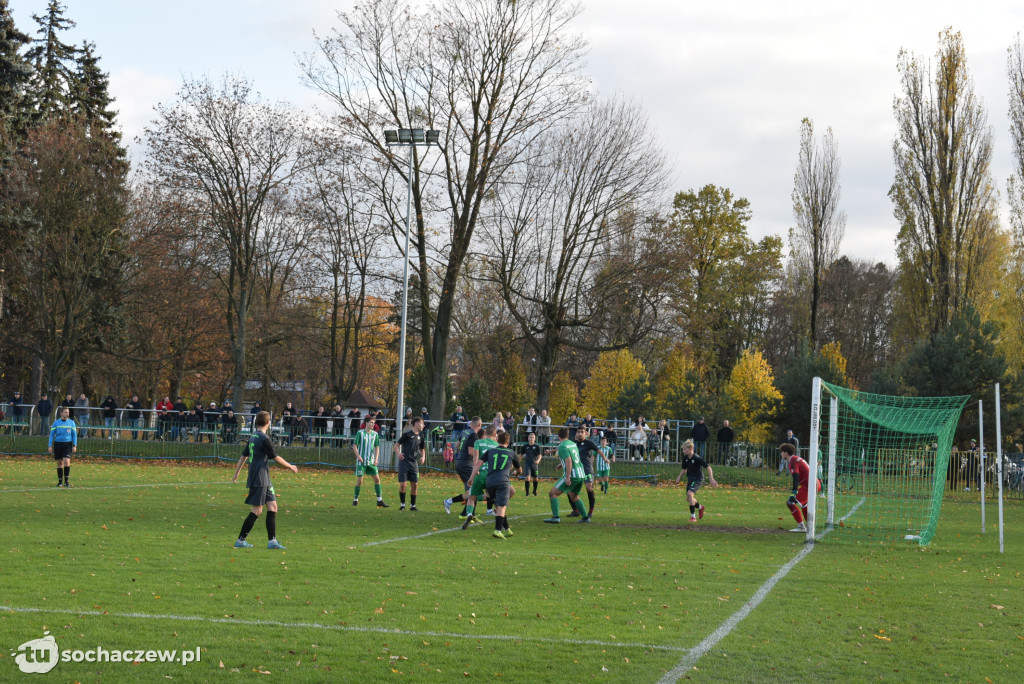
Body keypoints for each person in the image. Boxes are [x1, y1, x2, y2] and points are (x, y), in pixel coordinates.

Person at [232, 410, 298, 549]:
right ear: (268, 423)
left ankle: (272, 541)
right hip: (259, 478)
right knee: (257, 510)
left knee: (273, 507)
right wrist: (290, 466)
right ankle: (241, 541)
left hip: (264, 478)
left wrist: (236, 473)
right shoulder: (263, 438)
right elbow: (275, 457)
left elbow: (243, 456)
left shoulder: (253, 436)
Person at [544, 427, 591, 524]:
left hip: (572, 475)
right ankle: (586, 518)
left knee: (553, 493)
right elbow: (574, 458)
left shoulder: (562, 446)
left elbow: (569, 460)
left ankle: (555, 517)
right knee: (574, 496)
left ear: (558, 436)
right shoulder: (573, 444)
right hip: (581, 474)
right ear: (568, 435)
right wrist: (562, 464)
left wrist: (568, 477)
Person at [482, 431, 521, 539]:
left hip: (490, 481)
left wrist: (471, 477)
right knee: (501, 506)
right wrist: (517, 473)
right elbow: (519, 470)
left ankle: (507, 529)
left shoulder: (491, 451)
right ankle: (498, 530)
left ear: (497, 440)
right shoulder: (511, 452)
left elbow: (478, 463)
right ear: (508, 442)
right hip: (502, 481)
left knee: (511, 492)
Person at [460, 425, 500, 529]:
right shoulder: (496, 445)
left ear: (485, 433)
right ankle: (501, 521)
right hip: (490, 475)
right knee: (492, 496)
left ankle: (469, 514)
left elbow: (476, 458)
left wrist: (473, 474)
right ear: (495, 435)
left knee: (471, 498)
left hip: (479, 473)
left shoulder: (478, 442)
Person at [444, 416, 483, 518]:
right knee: (474, 491)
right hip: (466, 464)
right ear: (479, 425)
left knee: (470, 491)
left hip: (459, 462)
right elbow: (471, 451)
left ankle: (467, 514)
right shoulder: (474, 435)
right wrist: (480, 456)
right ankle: (450, 501)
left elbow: (457, 446)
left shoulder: (464, 432)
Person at [675, 438, 718, 522]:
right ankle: (700, 507)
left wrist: (711, 479)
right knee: (689, 498)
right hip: (691, 479)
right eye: (683, 449)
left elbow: (708, 467)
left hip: (698, 479)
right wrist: (679, 477)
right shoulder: (685, 458)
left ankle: (693, 517)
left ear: (691, 449)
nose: (683, 451)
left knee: (690, 494)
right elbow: (684, 469)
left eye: (685, 449)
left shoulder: (697, 458)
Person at [779, 442, 819, 532]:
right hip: (814, 483)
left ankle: (801, 527)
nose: (781, 454)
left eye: (782, 452)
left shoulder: (793, 461)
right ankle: (810, 526)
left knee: (790, 502)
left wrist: (794, 493)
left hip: (809, 485)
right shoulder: (796, 459)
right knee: (804, 505)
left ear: (786, 452)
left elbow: (796, 478)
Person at [352, 416, 388, 508]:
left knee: (377, 480)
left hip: (371, 461)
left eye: (374, 423)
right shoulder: (360, 433)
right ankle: (355, 500)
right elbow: (355, 446)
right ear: (366, 423)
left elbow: (377, 447)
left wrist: (376, 459)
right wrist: (358, 456)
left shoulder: (375, 434)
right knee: (360, 481)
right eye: (371, 422)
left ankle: (379, 500)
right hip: (361, 461)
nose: (373, 424)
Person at [394, 416, 427, 511]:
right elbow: (396, 446)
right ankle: (402, 505)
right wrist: (399, 454)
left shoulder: (421, 436)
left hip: (414, 463)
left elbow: (422, 449)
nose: (423, 425)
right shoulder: (407, 435)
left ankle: (413, 506)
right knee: (403, 484)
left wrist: (423, 456)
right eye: (422, 423)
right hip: (404, 462)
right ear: (416, 424)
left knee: (415, 484)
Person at [571, 426, 600, 517]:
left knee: (588, 487)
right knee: (569, 489)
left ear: (585, 433)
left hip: (587, 470)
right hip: (577, 470)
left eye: (581, 432)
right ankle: (575, 510)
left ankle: (591, 510)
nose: (580, 433)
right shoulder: (573, 444)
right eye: (578, 432)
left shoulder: (588, 443)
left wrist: (606, 459)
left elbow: (598, 451)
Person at [48, 406, 77, 487]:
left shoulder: (71, 423)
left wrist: (74, 445)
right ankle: (60, 482)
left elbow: (74, 435)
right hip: (58, 444)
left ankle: (66, 482)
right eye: (65, 412)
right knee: (60, 463)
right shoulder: (56, 423)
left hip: (67, 444)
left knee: (66, 462)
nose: (67, 413)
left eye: (68, 412)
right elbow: (51, 435)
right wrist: (50, 445)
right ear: (61, 413)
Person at [521, 431, 543, 496]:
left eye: (533, 437)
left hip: (534, 465)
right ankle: (527, 493)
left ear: (534, 439)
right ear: (528, 438)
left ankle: (534, 491)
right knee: (527, 478)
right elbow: (521, 455)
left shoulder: (537, 446)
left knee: (535, 478)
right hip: (527, 464)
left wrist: (538, 460)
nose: (531, 439)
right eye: (530, 437)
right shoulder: (525, 446)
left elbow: (540, 455)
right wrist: (517, 463)